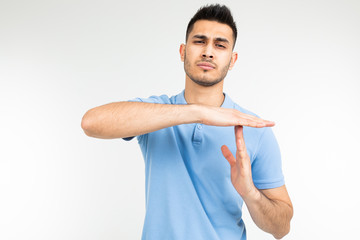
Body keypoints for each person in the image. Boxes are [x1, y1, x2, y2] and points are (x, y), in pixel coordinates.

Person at [81, 4, 293, 240]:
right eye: (199, 41)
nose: (208, 52)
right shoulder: (155, 112)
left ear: (232, 60)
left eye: (220, 45)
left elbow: (282, 228)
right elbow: (91, 123)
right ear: (182, 51)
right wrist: (198, 112)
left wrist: (250, 193)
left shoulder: (254, 129)